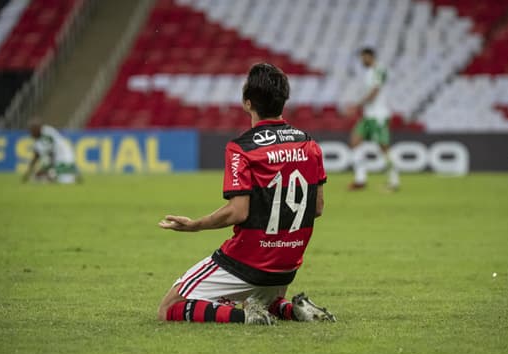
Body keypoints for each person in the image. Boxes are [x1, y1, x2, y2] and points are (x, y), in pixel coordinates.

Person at [157, 63, 335, 325]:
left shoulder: (243, 148)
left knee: (170, 308)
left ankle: (245, 316)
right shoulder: (309, 144)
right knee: (261, 298)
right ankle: (290, 308)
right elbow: (317, 208)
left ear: (247, 102)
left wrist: (196, 225)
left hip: (248, 261)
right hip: (286, 266)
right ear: (283, 100)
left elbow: (238, 211)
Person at [347, 48, 399, 191]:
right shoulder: (369, 72)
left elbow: (375, 92)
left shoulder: (379, 70)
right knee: (355, 141)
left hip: (379, 115)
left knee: (383, 147)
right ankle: (360, 179)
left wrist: (357, 105)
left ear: (370, 57)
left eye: (363, 58)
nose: (362, 61)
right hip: (369, 115)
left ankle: (394, 181)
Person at [23, 120, 80, 184]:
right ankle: (70, 172)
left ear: (37, 129)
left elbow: (42, 156)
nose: (30, 133)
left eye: (32, 130)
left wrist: (43, 169)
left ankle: (65, 173)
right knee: (38, 177)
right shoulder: (45, 132)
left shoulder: (46, 135)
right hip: (65, 157)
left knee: (41, 178)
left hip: (62, 159)